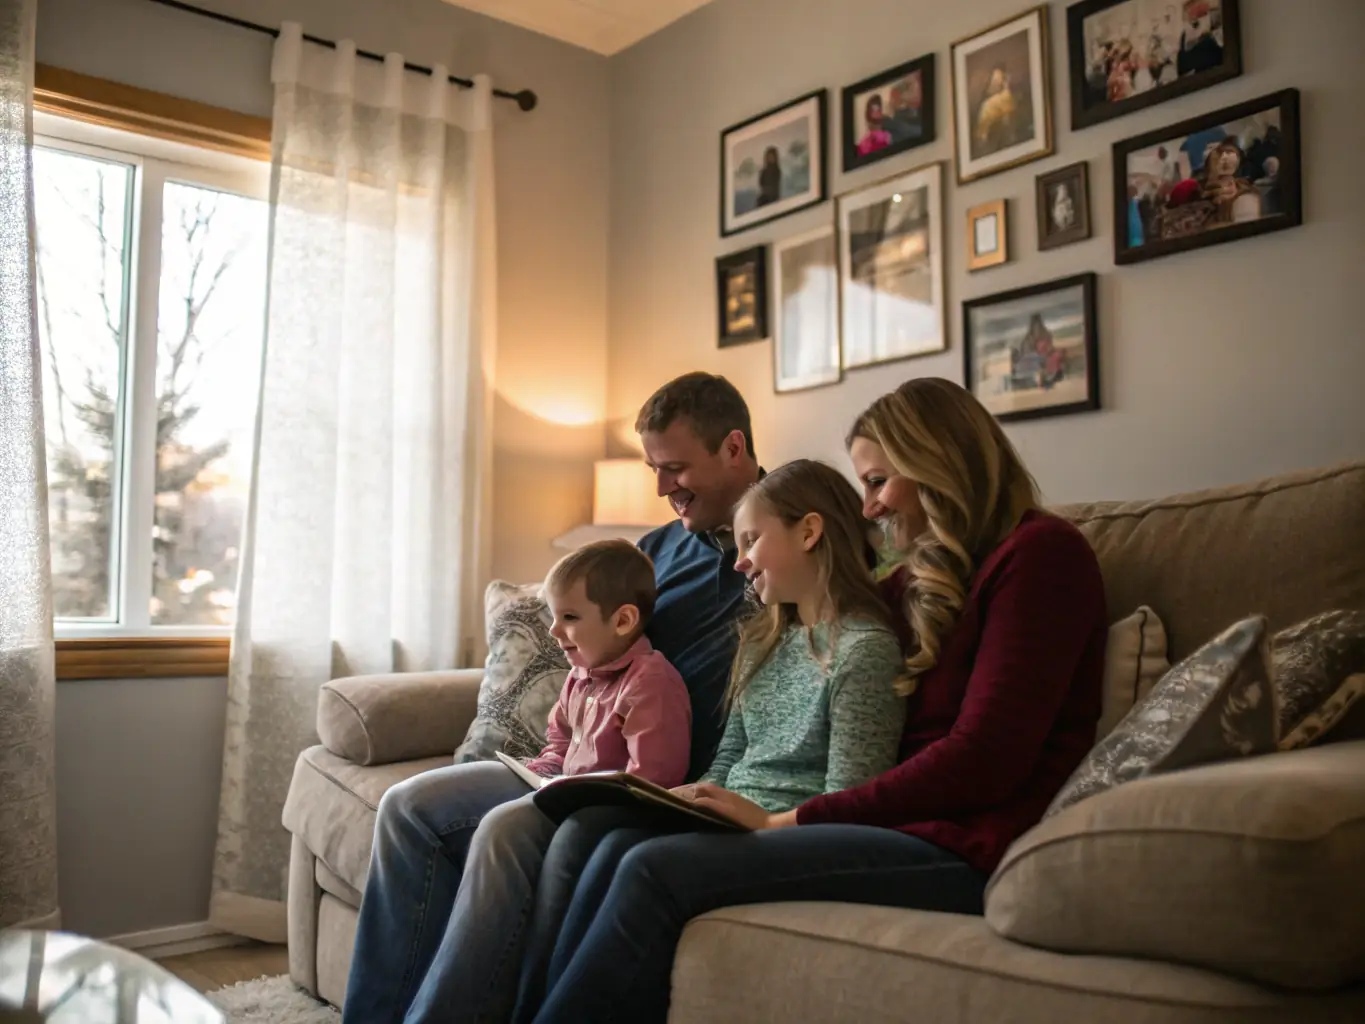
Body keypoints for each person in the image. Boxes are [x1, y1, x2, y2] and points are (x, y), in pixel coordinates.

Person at [524, 377, 1109, 1024]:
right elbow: (827, 608)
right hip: (886, 822)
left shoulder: (1040, 556)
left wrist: (784, 822)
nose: (868, 508)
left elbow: (985, 757)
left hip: (956, 842)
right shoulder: (921, 572)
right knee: (594, 836)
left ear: (938, 464)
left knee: (651, 870)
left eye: (879, 481)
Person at [340, 372, 761, 1024]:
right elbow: (587, 660)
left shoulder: (779, 548)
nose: (660, 488)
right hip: (579, 766)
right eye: (653, 468)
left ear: (733, 448)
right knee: (408, 807)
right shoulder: (656, 550)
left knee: (506, 832)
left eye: (675, 467)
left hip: (656, 779)